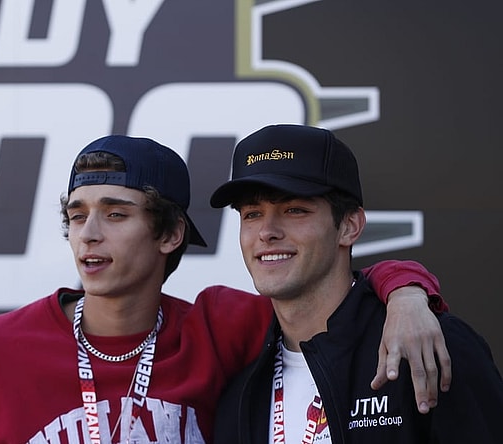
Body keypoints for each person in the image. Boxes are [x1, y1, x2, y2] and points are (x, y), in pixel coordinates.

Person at [0, 135, 449, 444]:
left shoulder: (220, 327)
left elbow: (321, 294)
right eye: (77, 215)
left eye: (115, 213)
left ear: (170, 234)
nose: (89, 233)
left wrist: (403, 289)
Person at [211, 124, 503, 443]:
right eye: (252, 214)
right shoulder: (238, 398)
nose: (267, 232)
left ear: (349, 226)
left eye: (295, 210)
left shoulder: (428, 345)